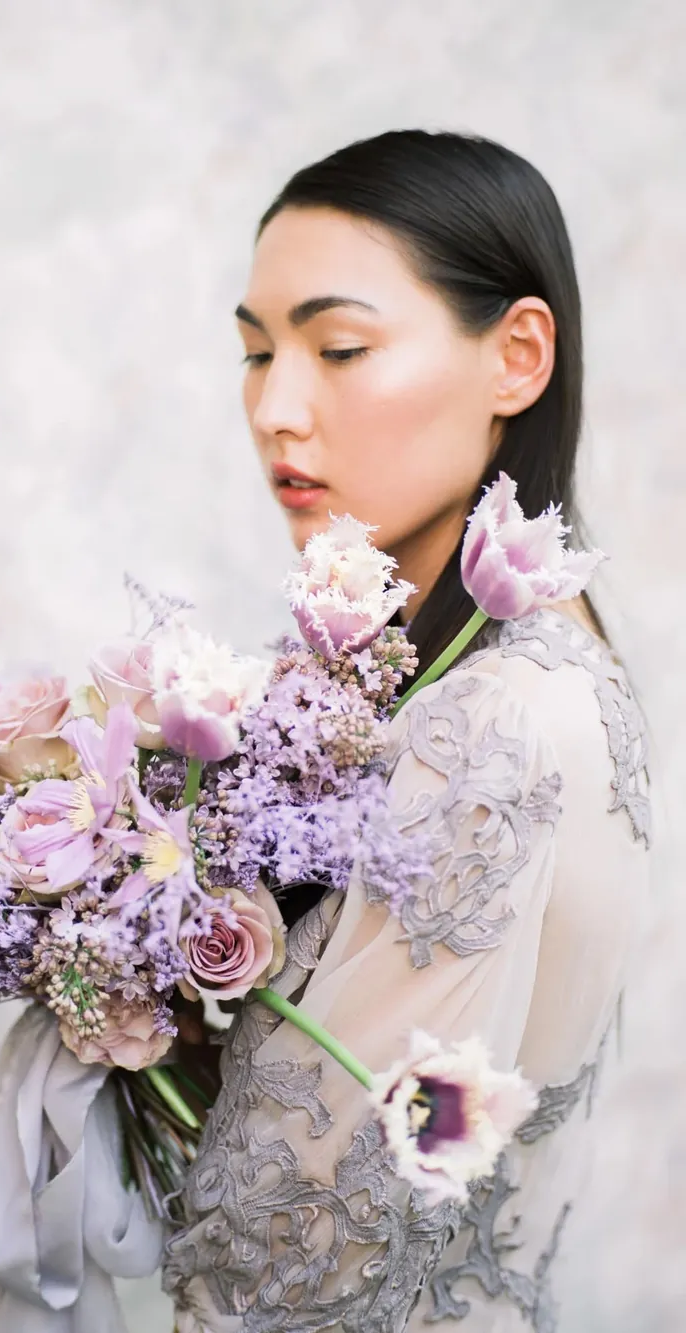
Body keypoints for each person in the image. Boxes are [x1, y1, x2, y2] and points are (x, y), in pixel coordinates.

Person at [162, 130, 651, 1333]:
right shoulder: (489, 669)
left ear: (516, 356)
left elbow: (296, 1260)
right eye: (255, 352)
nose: (274, 408)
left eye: (338, 348)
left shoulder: (490, 719)